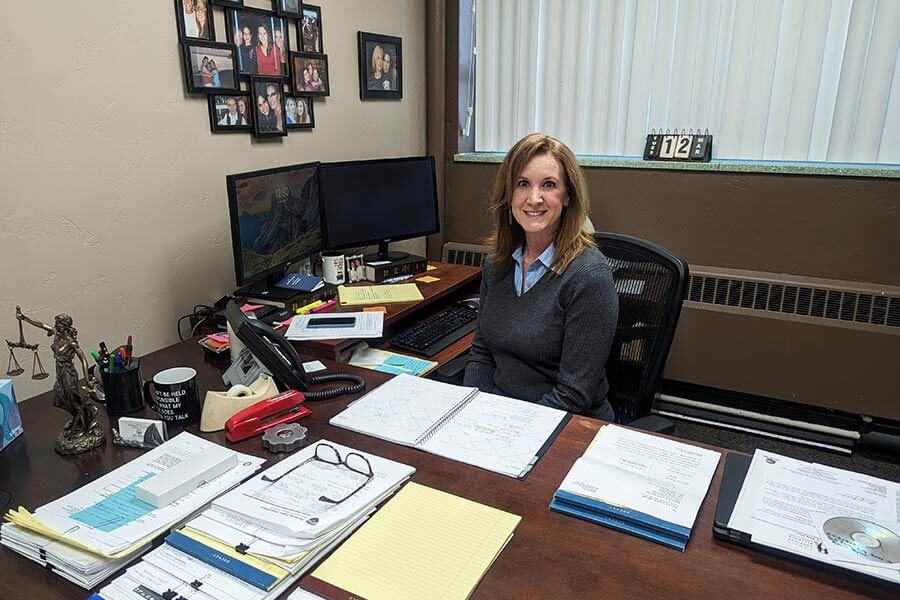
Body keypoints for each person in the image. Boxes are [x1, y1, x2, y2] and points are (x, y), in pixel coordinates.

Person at [463, 133, 619, 420]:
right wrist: (475, 414)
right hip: (498, 416)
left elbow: (573, 394)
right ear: (509, 194)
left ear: (568, 195)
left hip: (566, 423)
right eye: (523, 184)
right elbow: (481, 354)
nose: (534, 198)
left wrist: (510, 431)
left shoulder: (588, 276)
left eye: (549, 185)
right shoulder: (496, 265)